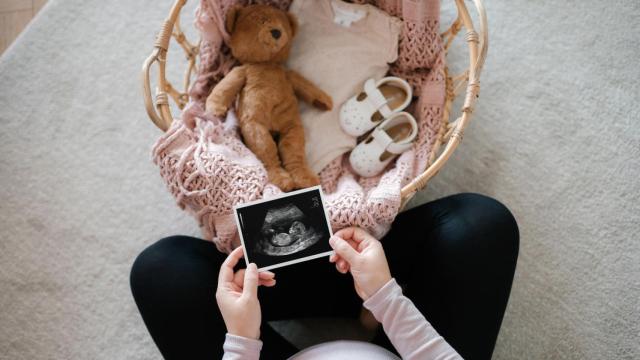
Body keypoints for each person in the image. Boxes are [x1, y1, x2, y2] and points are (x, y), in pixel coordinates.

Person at [130, 193, 519, 359]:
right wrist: (385, 297)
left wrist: (242, 339)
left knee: (161, 271)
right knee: (482, 226)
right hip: (401, 344)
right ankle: (361, 299)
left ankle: (347, 290)